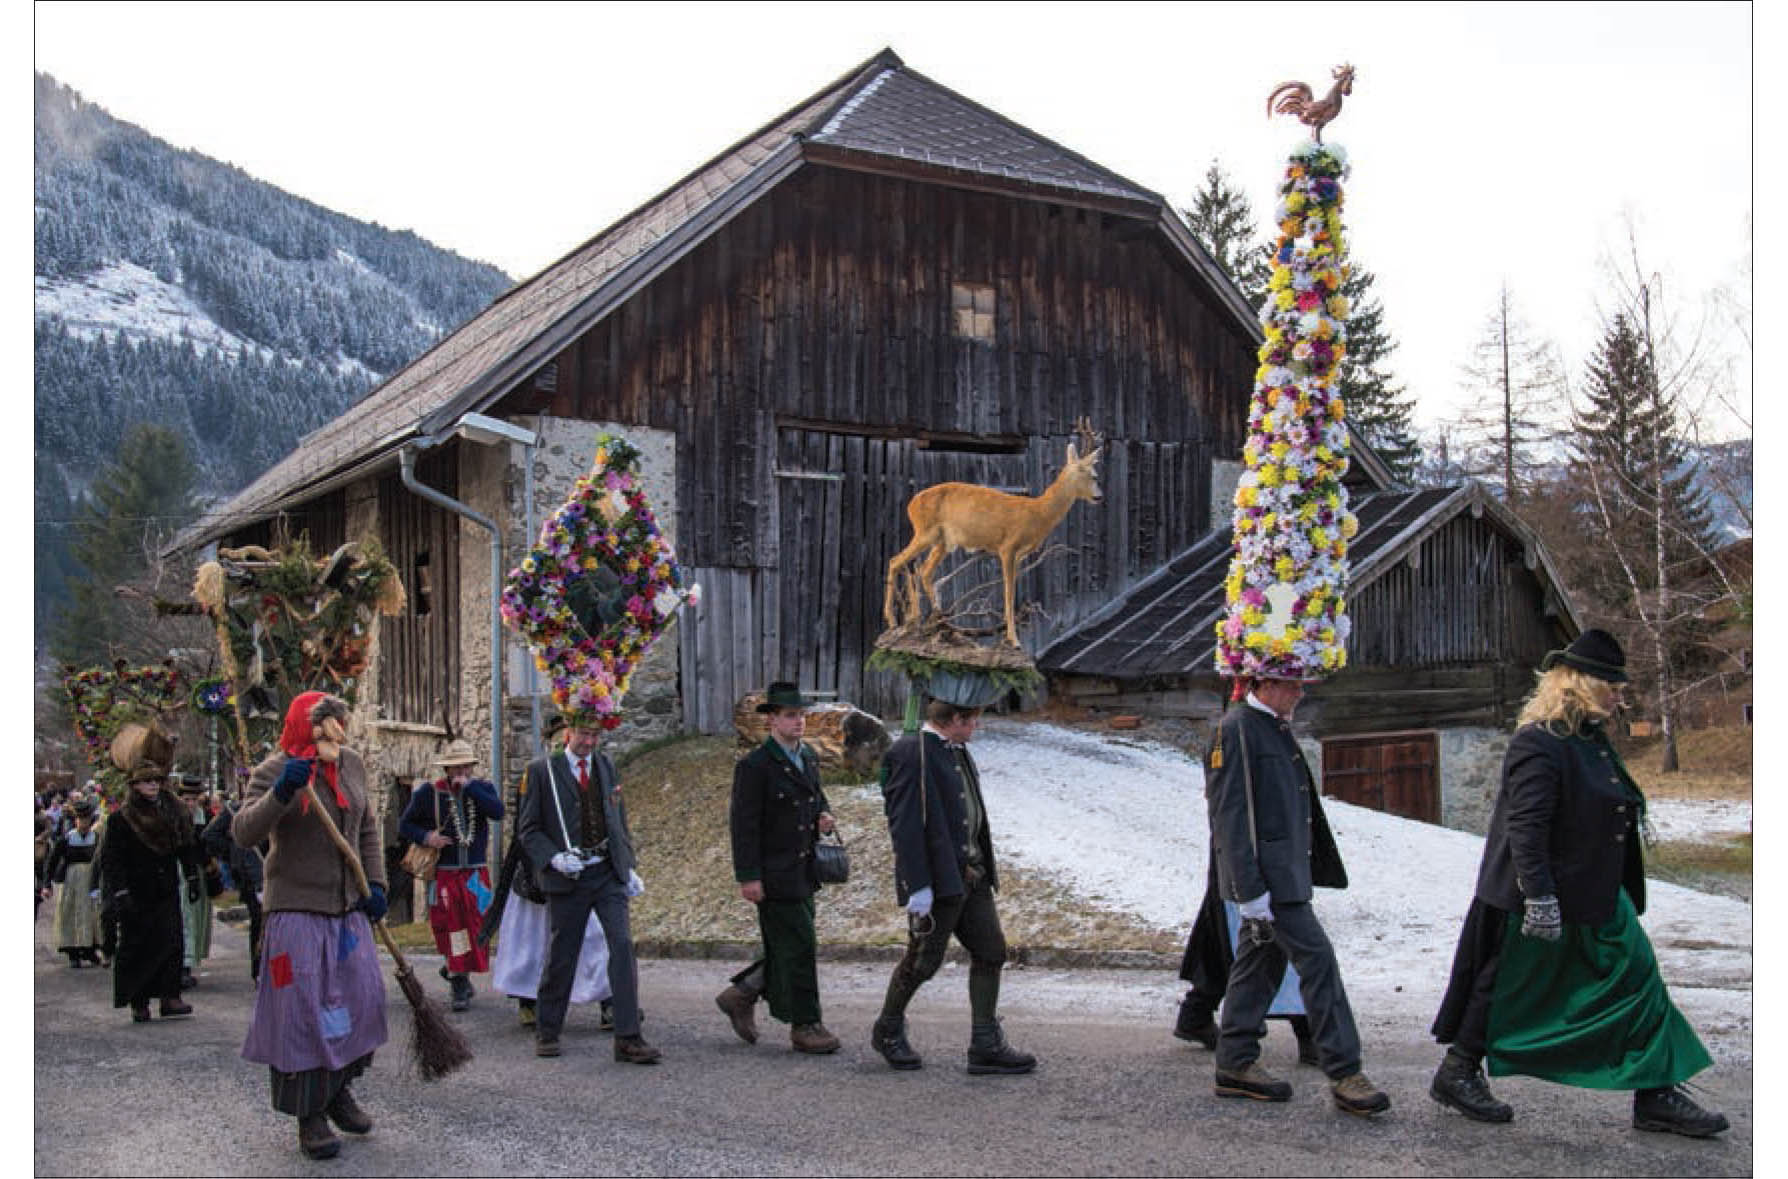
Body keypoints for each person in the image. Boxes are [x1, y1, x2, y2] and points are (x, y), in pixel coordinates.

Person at [1429, 629, 1729, 1138]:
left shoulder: (1588, 740)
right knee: (1506, 984)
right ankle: (1458, 1072)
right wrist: (1540, 898)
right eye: (1611, 684)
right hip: (1540, 895)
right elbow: (1526, 827)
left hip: (1594, 892)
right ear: (1580, 685)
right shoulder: (1540, 742)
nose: (1619, 694)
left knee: (1638, 981)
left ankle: (1655, 1092)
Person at [1206, 674, 1388, 1116]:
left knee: (1259, 964)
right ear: (1263, 684)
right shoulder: (1236, 730)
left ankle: (1235, 1062)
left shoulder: (1271, 726)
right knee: (1319, 963)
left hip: (1284, 878)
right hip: (1269, 883)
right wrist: (1249, 892)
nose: (1300, 692)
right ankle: (1345, 1073)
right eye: (1292, 684)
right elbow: (1230, 815)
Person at [235, 692, 389, 1162]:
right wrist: (282, 791)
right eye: (327, 725)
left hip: (347, 912)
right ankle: (309, 1114)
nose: (336, 734)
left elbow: (366, 827)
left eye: (340, 724)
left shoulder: (352, 765)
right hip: (296, 913)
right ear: (307, 727)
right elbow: (244, 832)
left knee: (360, 1002)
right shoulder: (275, 768)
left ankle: (338, 1088)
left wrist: (377, 882)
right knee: (301, 1014)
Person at [870, 693, 1035, 1076]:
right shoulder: (912, 753)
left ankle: (985, 1043)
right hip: (939, 879)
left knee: (991, 951)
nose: (977, 726)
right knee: (923, 961)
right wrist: (918, 886)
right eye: (972, 719)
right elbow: (905, 824)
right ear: (955, 719)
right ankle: (888, 1028)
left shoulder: (956, 749)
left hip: (971, 877)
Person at [517, 717, 657, 1064]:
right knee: (563, 953)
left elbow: (617, 819)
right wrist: (554, 858)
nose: (590, 742)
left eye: (595, 735)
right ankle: (547, 1030)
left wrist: (629, 865)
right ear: (569, 733)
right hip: (569, 877)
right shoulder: (542, 772)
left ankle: (628, 1036)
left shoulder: (607, 766)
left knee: (622, 946)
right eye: (584, 734)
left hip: (607, 873)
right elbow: (529, 829)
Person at [717, 682, 841, 1054]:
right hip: (773, 872)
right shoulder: (755, 765)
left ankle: (743, 993)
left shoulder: (808, 756)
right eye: (790, 715)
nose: (799, 722)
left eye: (801, 715)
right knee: (800, 945)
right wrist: (749, 876)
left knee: (789, 944)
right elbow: (743, 825)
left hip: (804, 868)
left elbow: (817, 797)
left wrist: (824, 814)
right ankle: (806, 1024)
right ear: (771, 720)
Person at [483, 714, 613, 1031]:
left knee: (596, 938)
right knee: (531, 942)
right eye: (556, 740)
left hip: (584, 870)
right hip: (538, 868)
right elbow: (527, 827)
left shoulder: (593, 773)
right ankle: (528, 999)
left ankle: (610, 1001)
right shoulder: (538, 775)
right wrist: (545, 862)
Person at [1174, 848, 1317, 1065]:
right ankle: (1304, 1030)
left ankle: (1198, 1013)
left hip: (1249, 850)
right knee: (1266, 928)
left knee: (1228, 923)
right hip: (1253, 850)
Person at [97, 725, 195, 1024]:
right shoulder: (120, 820)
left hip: (164, 888)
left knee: (171, 943)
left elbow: (186, 847)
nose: (153, 785)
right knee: (138, 947)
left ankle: (170, 996)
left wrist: (193, 877)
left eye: (156, 781)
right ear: (134, 786)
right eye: (146, 782)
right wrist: (120, 891)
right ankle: (139, 1001)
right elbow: (111, 860)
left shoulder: (172, 813)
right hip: (136, 893)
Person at [399, 740, 504, 1012]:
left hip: (475, 874)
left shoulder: (482, 790)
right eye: (457, 767)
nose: (462, 771)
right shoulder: (429, 794)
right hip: (446, 875)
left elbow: (497, 812)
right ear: (447, 768)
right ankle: (459, 980)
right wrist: (427, 837)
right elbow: (405, 824)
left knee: (477, 926)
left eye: (466, 766)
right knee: (453, 927)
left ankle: (456, 969)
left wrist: (472, 789)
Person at [204, 795, 267, 980]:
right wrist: (233, 852)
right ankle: (260, 971)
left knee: (264, 924)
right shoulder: (235, 810)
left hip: (266, 875)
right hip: (253, 878)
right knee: (260, 924)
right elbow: (210, 836)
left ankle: (262, 972)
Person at [46, 795, 105, 967]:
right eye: (79, 819)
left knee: (92, 914)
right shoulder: (67, 839)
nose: (83, 823)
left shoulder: (96, 838)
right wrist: (47, 883)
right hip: (71, 880)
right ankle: (73, 951)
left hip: (91, 879)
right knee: (70, 912)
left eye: (86, 819)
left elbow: (104, 859)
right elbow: (52, 860)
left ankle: (90, 948)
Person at [173, 775, 218, 990]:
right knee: (184, 917)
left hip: (200, 873)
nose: (190, 804)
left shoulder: (206, 818)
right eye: (186, 799)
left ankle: (189, 963)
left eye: (194, 799)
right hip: (180, 873)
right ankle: (181, 965)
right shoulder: (174, 819)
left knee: (196, 917)